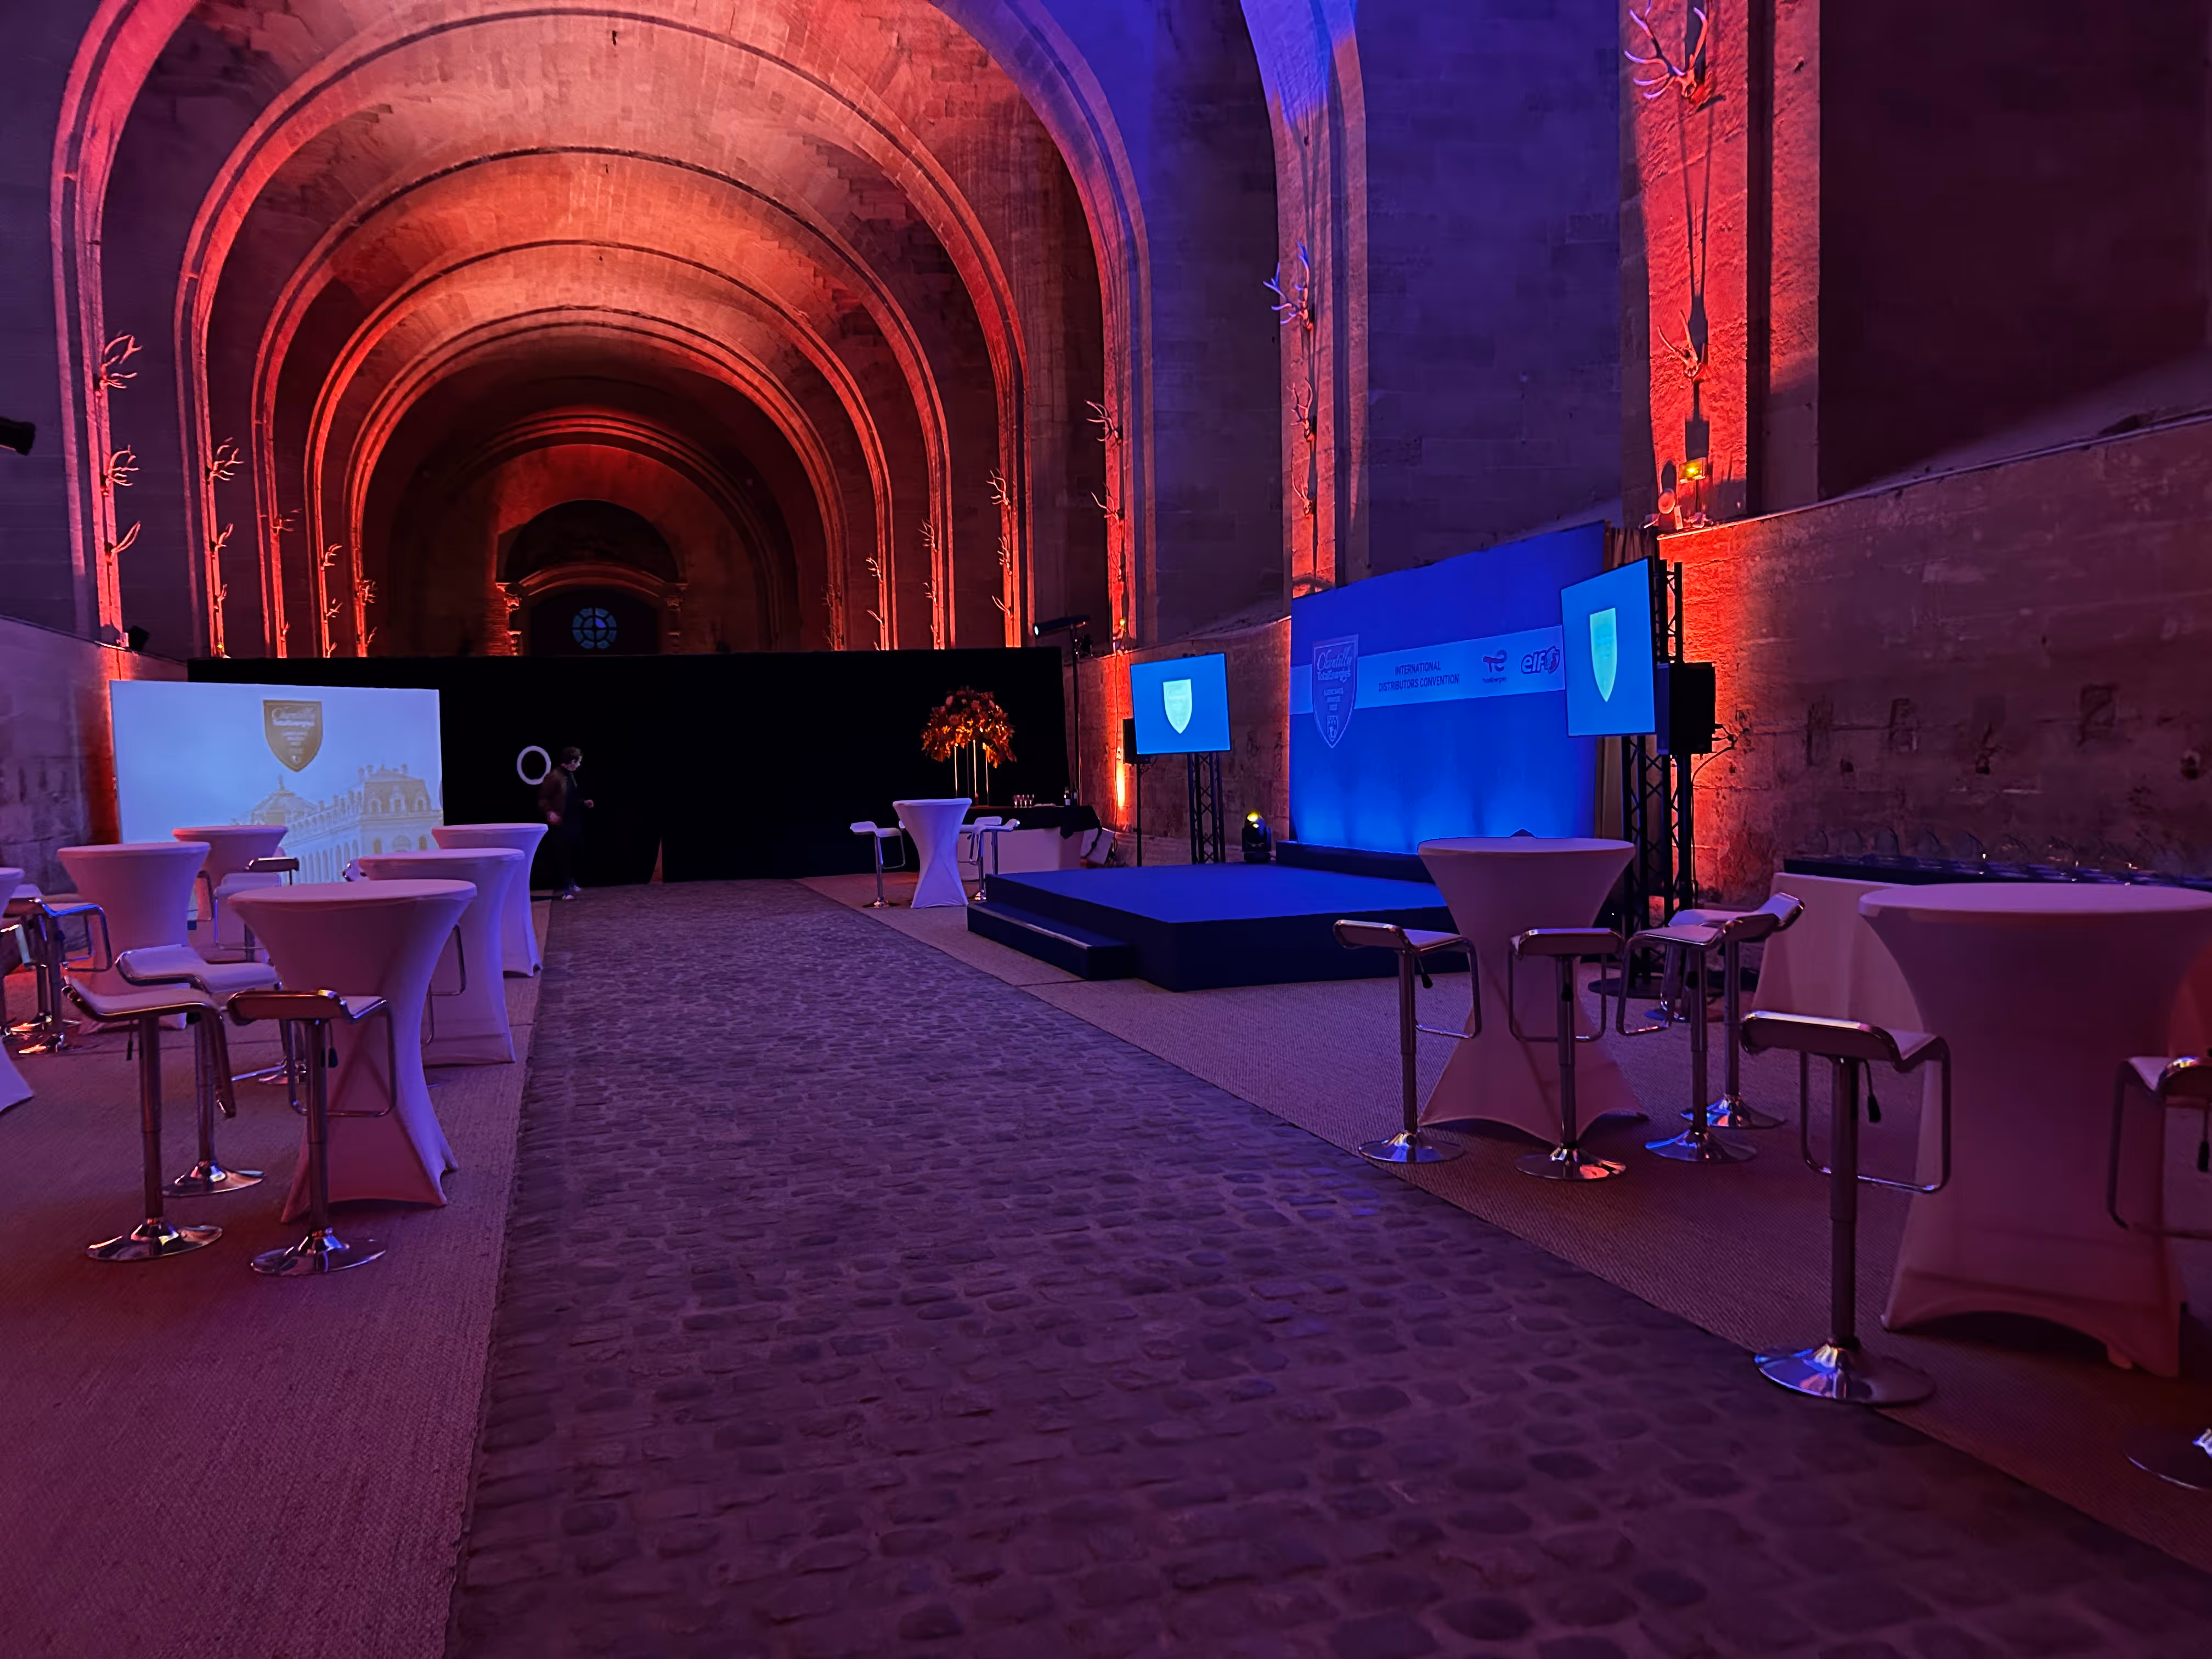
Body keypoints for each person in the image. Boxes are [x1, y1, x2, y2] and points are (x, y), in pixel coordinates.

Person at [537, 746, 594, 899]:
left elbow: (569, 799)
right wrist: (550, 812)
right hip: (561, 823)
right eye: (579, 762)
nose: (580, 765)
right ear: (572, 762)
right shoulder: (554, 777)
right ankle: (565, 889)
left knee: (575, 852)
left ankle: (571, 882)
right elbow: (543, 799)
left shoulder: (570, 776)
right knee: (562, 855)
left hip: (573, 821)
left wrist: (584, 803)